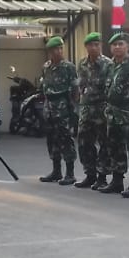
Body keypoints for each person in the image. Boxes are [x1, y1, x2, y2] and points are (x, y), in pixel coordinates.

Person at [101, 32, 129, 195]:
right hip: (113, 112)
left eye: (121, 44)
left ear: (127, 46)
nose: (117, 47)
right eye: (114, 45)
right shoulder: (109, 65)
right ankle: (117, 180)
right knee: (115, 146)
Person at [38, 35, 79, 185]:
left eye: (61, 48)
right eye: (55, 49)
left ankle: (70, 173)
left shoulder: (69, 67)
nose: (59, 51)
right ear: (50, 51)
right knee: (52, 139)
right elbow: (44, 86)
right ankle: (56, 171)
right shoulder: (46, 67)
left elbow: (75, 89)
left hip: (63, 108)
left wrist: (73, 108)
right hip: (49, 108)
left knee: (66, 139)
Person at [74, 32, 112, 190]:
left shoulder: (107, 64)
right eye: (91, 45)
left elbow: (109, 87)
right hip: (86, 108)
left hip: (101, 108)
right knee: (84, 142)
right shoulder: (82, 64)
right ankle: (90, 174)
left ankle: (102, 177)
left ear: (100, 46)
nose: (94, 47)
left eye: (97, 45)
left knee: (104, 143)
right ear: (86, 47)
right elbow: (81, 85)